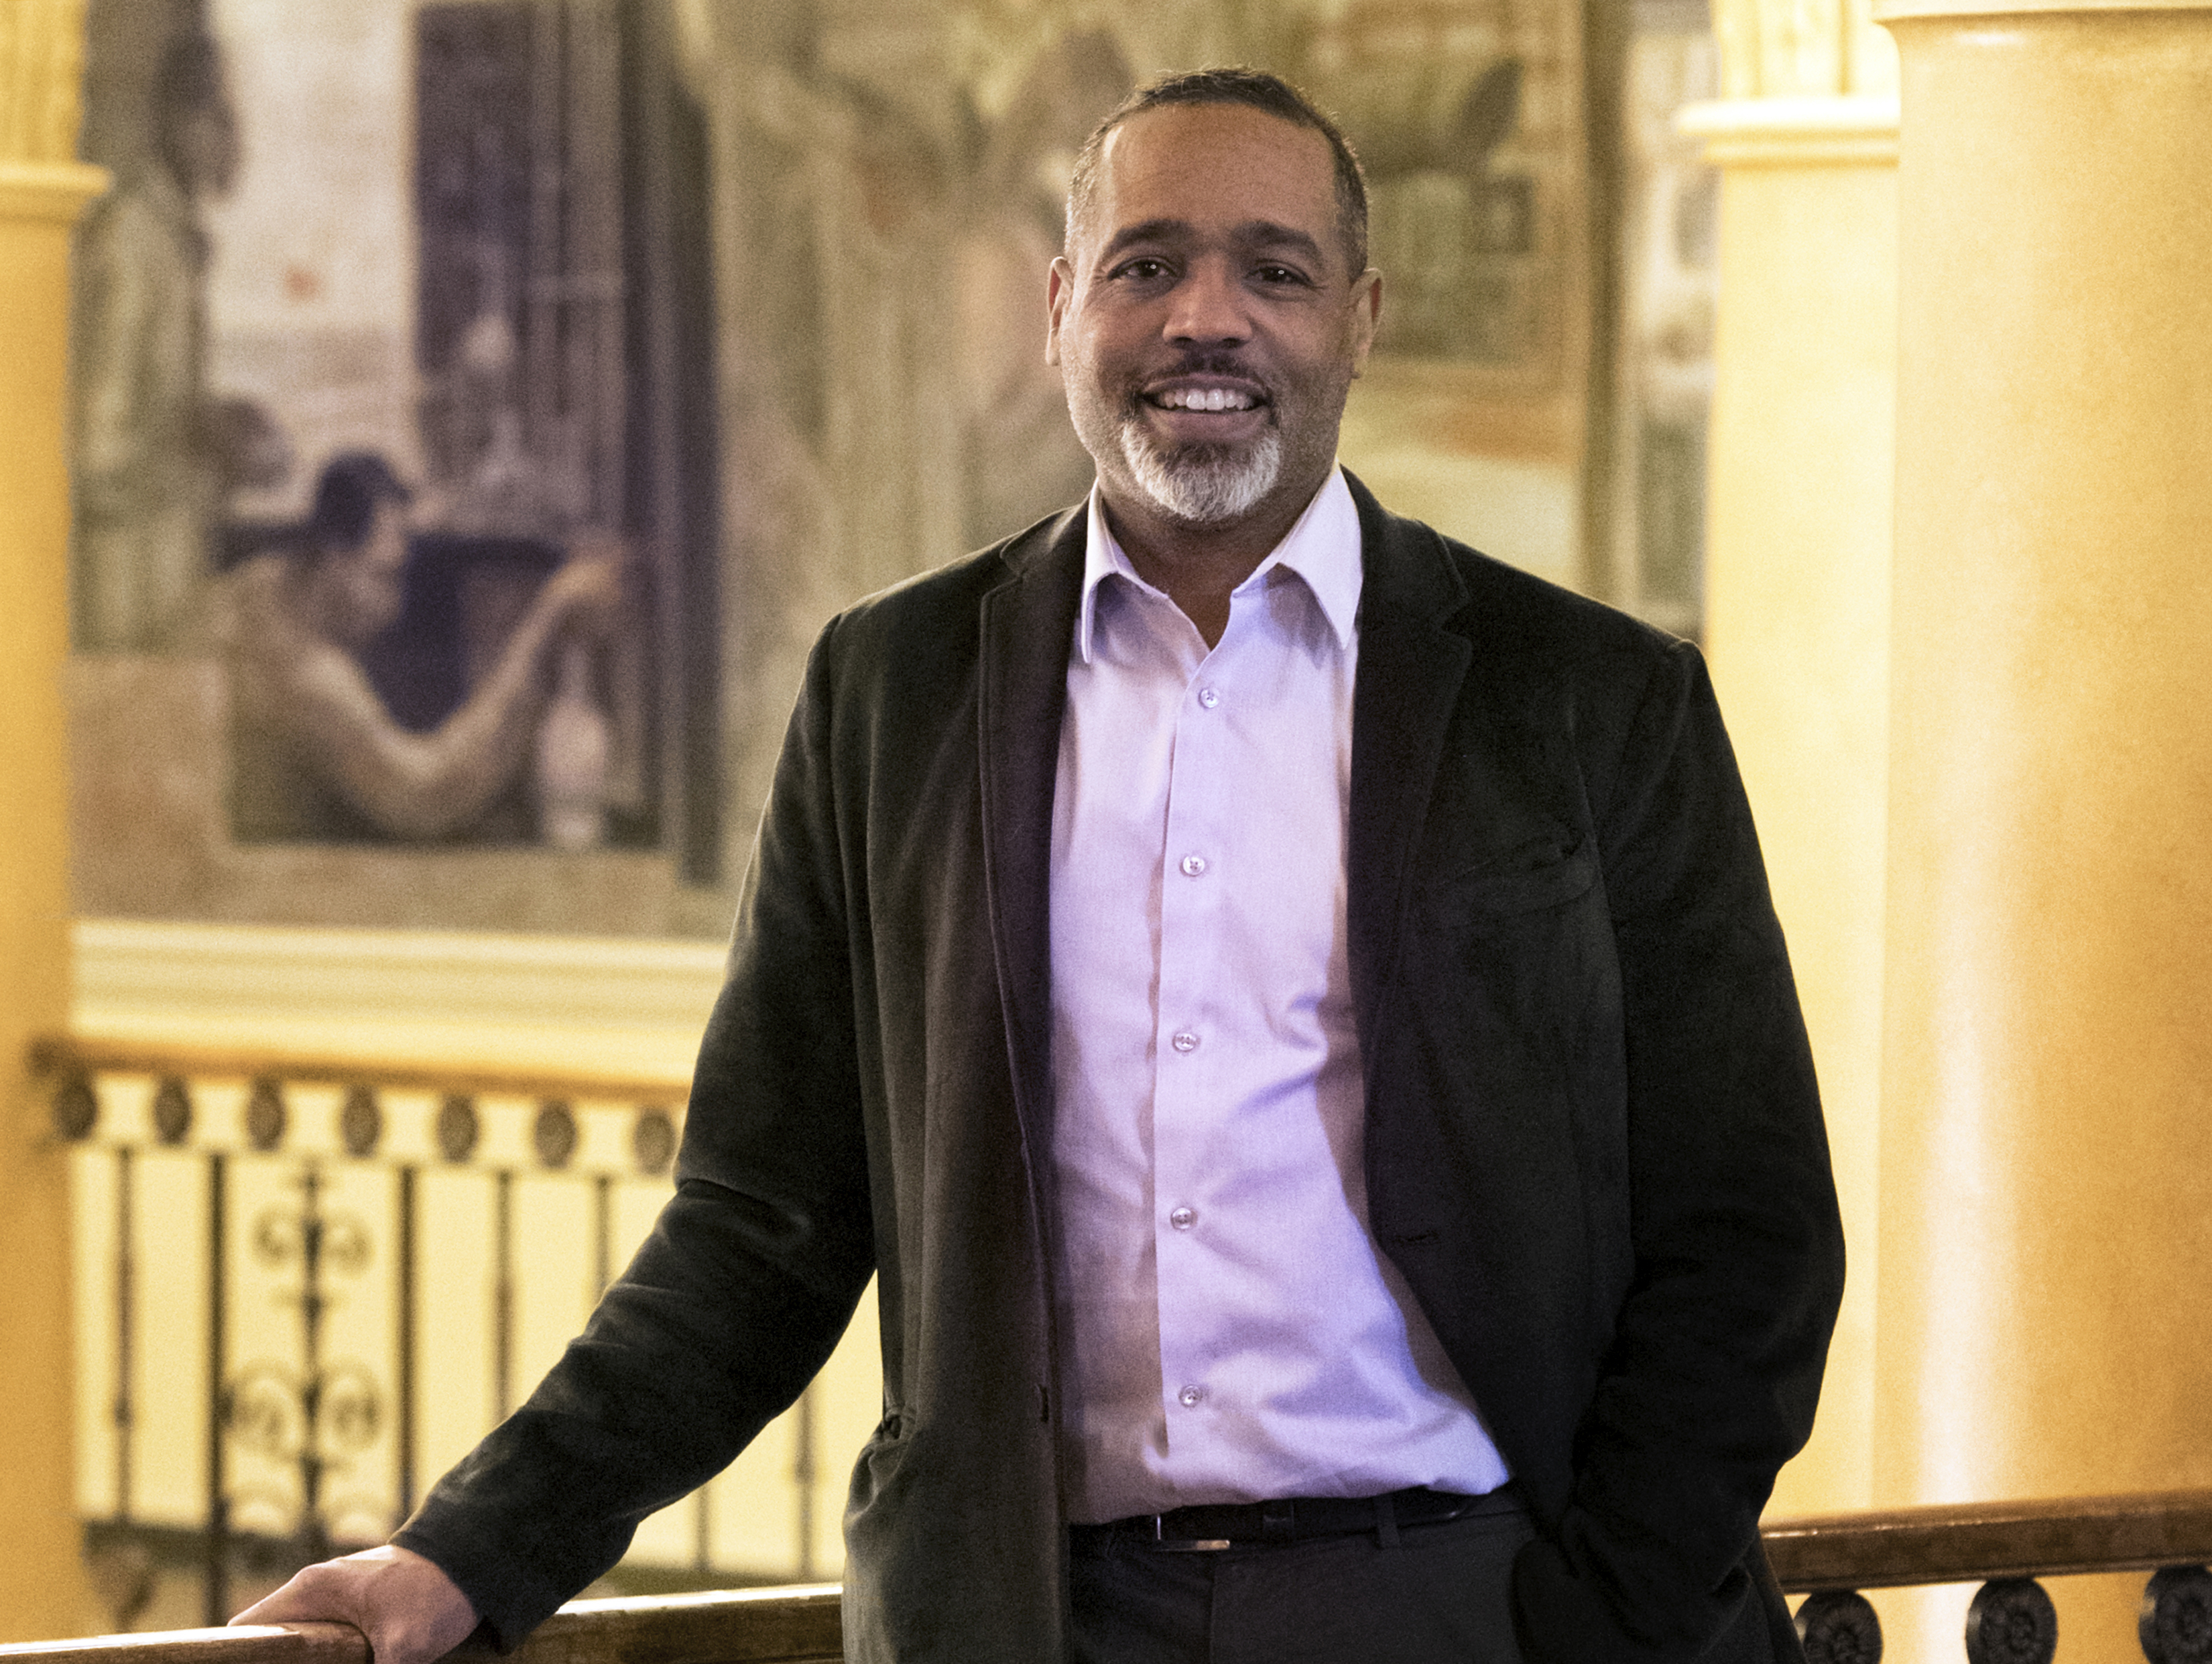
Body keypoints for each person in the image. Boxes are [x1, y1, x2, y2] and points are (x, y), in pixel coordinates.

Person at [238, 70, 1841, 1663]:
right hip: (1027, 1614)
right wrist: (469, 1550)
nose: (1205, 317)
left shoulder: (1591, 700)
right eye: (1147, 264)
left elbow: (1747, 1228)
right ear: (1062, 304)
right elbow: (761, 1226)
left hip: (1468, 1599)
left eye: (1271, 270)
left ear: (1359, 315)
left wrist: (1605, 1614)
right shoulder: (892, 690)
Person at [221, 452, 625, 842]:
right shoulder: (307, 675)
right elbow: (426, 793)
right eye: (385, 576)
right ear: (335, 554)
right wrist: (545, 619)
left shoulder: (260, 586)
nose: (394, 608)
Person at [73, 30, 244, 650]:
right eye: (217, 118)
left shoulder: (176, 243)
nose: (232, 143)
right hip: (130, 574)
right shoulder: (132, 242)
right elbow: (96, 452)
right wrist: (193, 437)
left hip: (170, 559)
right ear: (176, 119)